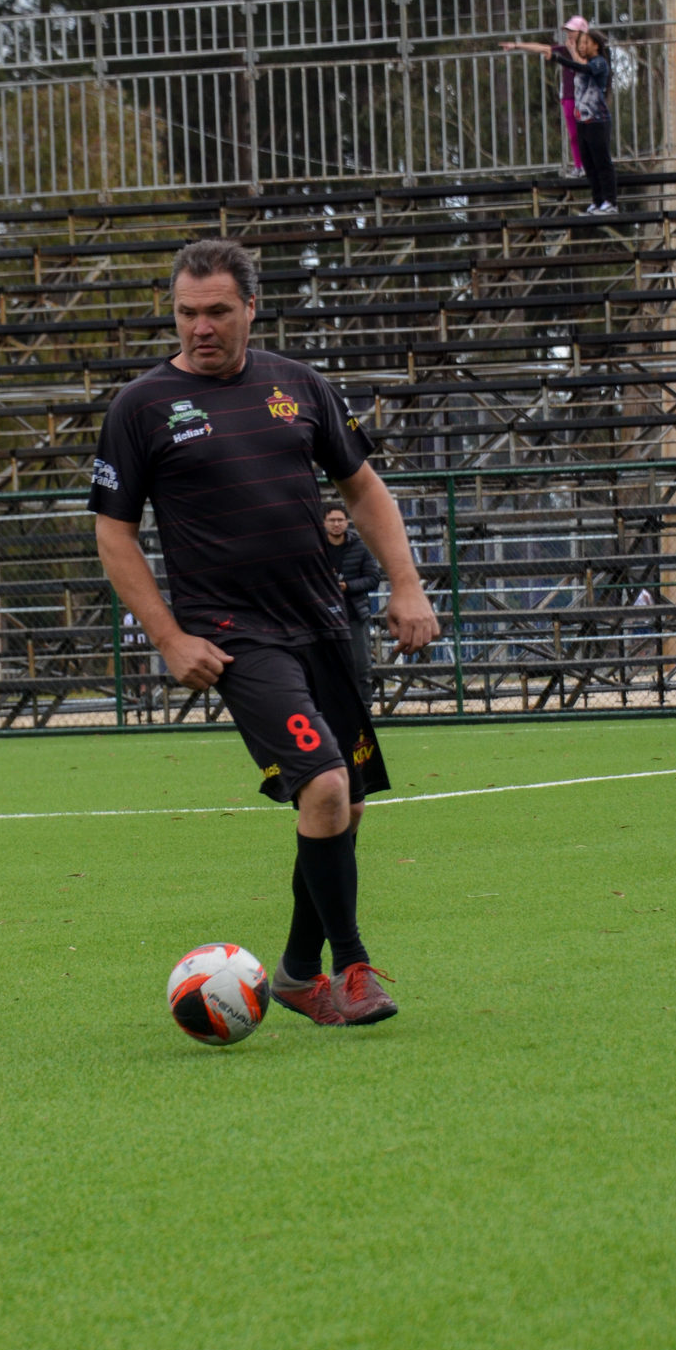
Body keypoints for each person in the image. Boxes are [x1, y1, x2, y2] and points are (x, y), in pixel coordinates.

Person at [89, 238, 440, 1027]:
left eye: (217, 311)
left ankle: (293, 972)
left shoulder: (301, 386)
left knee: (344, 808)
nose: (200, 328)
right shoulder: (140, 407)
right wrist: (169, 638)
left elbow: (363, 489)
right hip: (235, 638)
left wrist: (407, 583)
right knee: (325, 786)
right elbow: (114, 534)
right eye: (186, 313)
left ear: (251, 307)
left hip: (324, 623)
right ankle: (352, 969)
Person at [501, 14, 589, 177]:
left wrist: (572, 51)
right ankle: (579, 166)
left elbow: (584, 67)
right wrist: (516, 45)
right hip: (569, 97)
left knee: (589, 133)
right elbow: (541, 48)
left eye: (572, 31)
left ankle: (591, 164)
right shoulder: (563, 49)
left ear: (582, 32)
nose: (569, 34)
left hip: (586, 98)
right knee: (574, 135)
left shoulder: (590, 51)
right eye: (568, 31)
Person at [552, 29, 617, 214]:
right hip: (583, 121)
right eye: (580, 43)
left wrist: (559, 58)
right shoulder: (584, 63)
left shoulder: (599, 63)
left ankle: (610, 202)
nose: (582, 46)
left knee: (602, 162)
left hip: (598, 120)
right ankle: (597, 201)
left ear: (595, 45)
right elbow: (578, 66)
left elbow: (584, 69)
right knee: (589, 164)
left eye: (585, 42)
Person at [323, 502, 381, 708]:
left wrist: (347, 586)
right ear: (324, 522)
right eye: (332, 520)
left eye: (340, 520)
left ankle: (364, 713)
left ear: (347, 522)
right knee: (326, 669)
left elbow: (373, 578)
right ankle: (328, 714)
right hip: (323, 618)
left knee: (361, 667)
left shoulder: (360, 546)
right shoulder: (315, 548)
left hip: (354, 615)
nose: (336, 524)